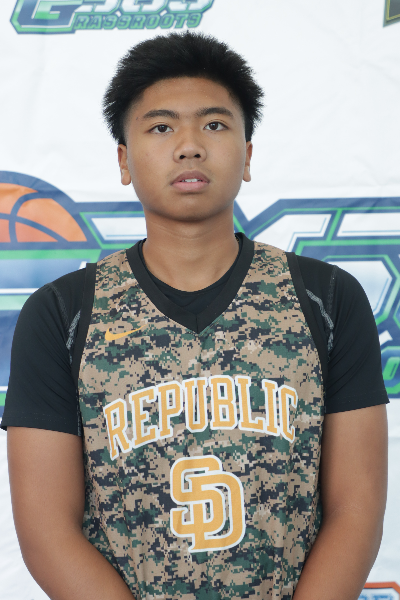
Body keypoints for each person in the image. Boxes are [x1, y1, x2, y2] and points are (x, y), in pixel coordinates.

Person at [3, 32, 388, 600]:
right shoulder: (63, 312)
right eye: (161, 128)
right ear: (124, 160)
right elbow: (47, 531)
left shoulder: (326, 298)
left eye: (213, 124)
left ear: (248, 155)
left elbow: (356, 507)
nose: (189, 147)